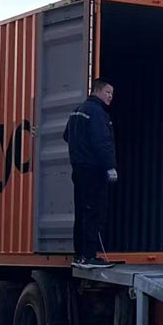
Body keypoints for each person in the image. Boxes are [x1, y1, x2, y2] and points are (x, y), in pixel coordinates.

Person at [63, 79, 118, 269]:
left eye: (112, 93)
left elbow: (66, 135)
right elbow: (102, 141)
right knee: (95, 212)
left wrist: (79, 149)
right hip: (93, 170)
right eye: (108, 92)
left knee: (82, 212)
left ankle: (80, 255)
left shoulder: (77, 111)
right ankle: (89, 255)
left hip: (79, 168)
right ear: (97, 91)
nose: (110, 96)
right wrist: (110, 166)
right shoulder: (97, 112)